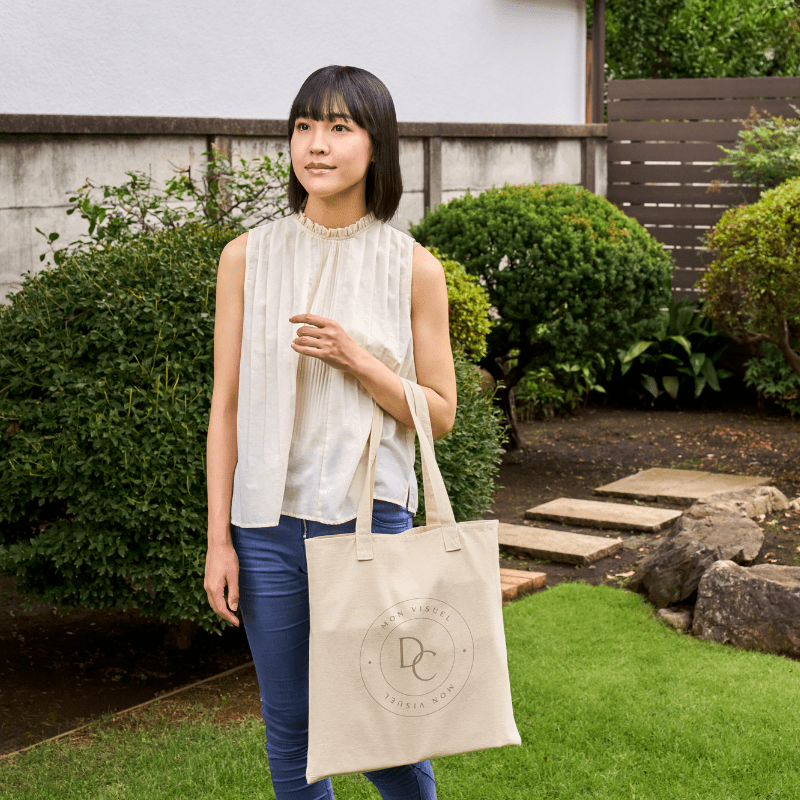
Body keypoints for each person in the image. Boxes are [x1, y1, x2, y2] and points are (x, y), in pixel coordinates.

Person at [203, 65, 456, 800]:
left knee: (383, 730)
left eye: (341, 127)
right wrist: (220, 539)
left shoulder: (412, 267)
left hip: (368, 523)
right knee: (292, 730)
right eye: (304, 125)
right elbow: (224, 409)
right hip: (264, 527)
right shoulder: (246, 257)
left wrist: (358, 362)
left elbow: (438, 413)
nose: (317, 144)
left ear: (377, 147)